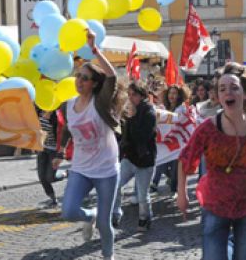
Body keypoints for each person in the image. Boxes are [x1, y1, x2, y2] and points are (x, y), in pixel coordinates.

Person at [177, 62, 246, 260]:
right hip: (216, 201)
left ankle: (233, 245)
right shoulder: (208, 128)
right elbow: (185, 159)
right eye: (222, 89)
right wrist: (181, 194)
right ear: (217, 97)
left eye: (234, 88)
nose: (228, 93)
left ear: (245, 94)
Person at [53, 29, 125, 260]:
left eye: (85, 78)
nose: (79, 81)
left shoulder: (100, 102)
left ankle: (108, 256)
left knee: (105, 224)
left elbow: (112, 77)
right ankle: (89, 215)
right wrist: (61, 151)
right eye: (78, 76)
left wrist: (95, 50)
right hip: (81, 168)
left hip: (106, 169)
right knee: (68, 211)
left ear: (94, 84)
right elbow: (66, 129)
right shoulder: (69, 104)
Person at [113, 81, 157, 231]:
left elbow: (142, 137)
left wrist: (132, 118)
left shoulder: (149, 112)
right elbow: (124, 136)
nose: (130, 98)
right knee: (116, 185)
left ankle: (145, 219)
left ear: (142, 95)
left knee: (143, 196)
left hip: (144, 160)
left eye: (134, 95)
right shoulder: (128, 111)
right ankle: (115, 214)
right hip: (129, 158)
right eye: (129, 94)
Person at [151, 84, 191, 195]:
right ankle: (172, 180)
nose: (171, 95)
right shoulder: (164, 107)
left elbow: (176, 119)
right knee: (160, 164)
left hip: (178, 143)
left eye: (174, 93)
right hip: (167, 142)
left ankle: (175, 190)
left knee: (175, 167)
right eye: (170, 93)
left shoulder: (182, 108)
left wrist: (159, 114)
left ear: (179, 96)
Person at [36, 108, 62, 208]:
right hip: (42, 149)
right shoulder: (38, 111)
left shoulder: (57, 116)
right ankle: (53, 199)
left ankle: (65, 173)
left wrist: (61, 152)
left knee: (50, 177)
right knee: (42, 177)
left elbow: (63, 133)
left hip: (54, 150)